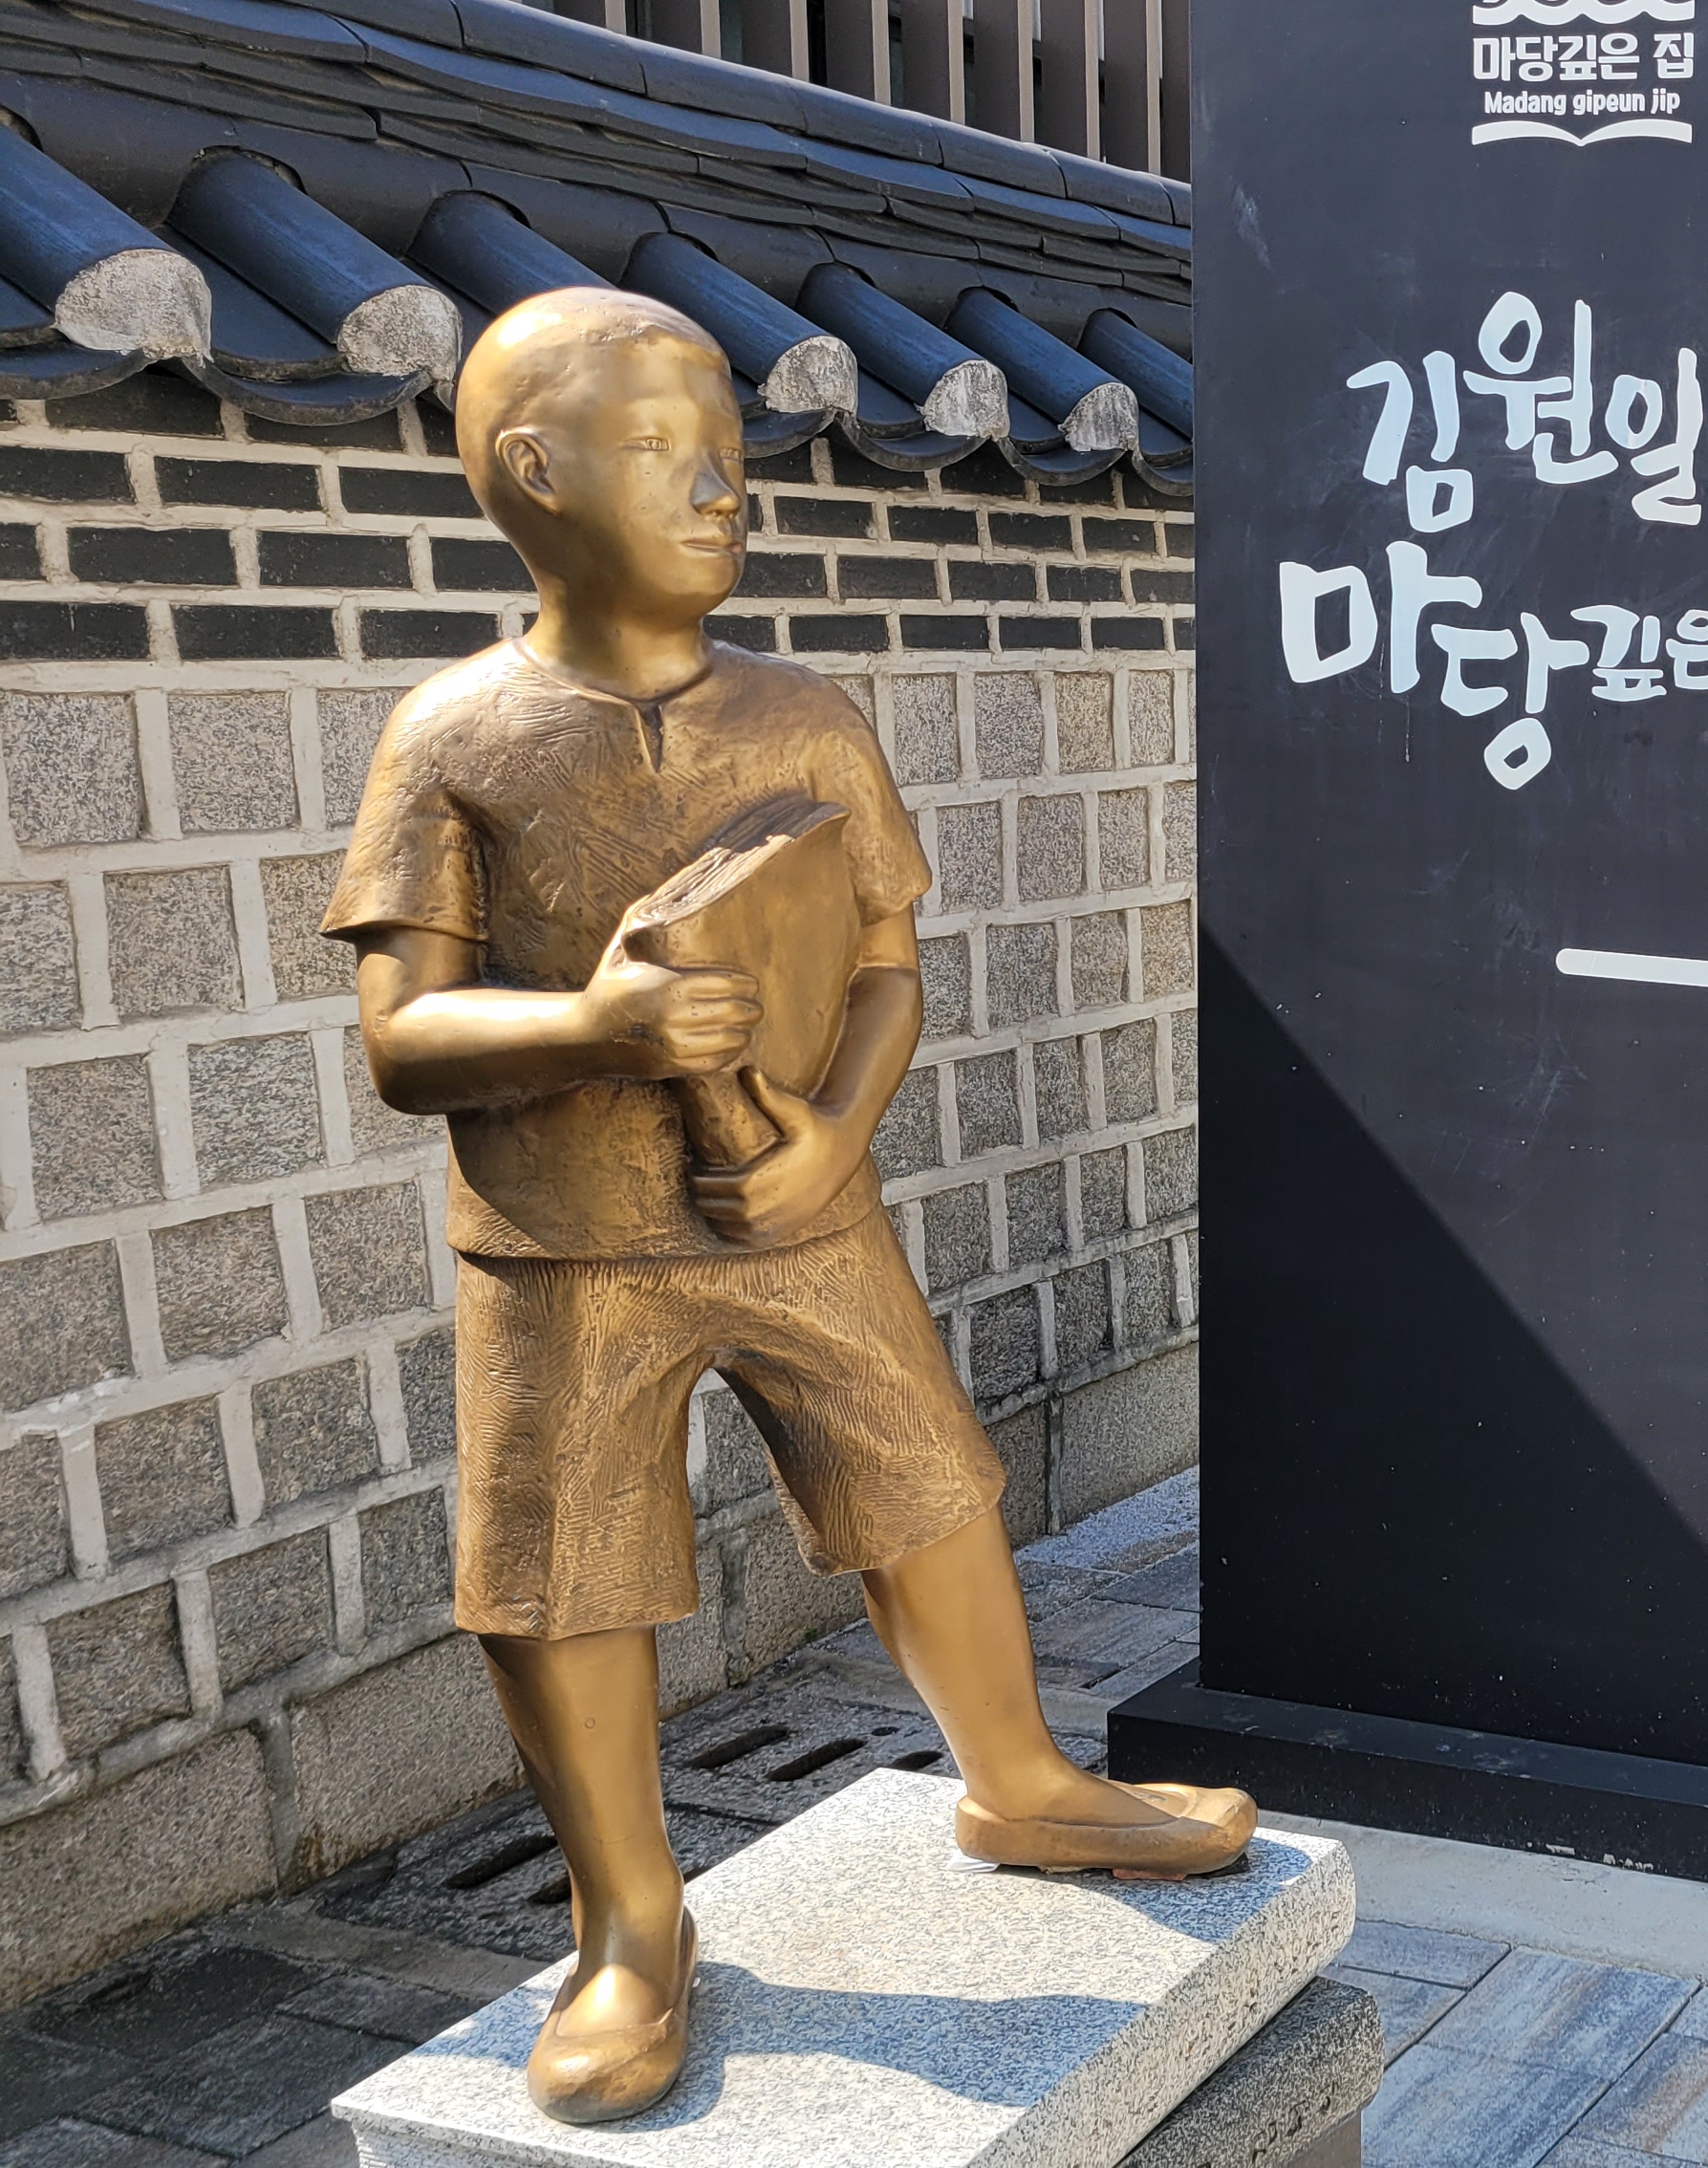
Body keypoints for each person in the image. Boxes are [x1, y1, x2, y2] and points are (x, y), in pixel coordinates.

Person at [325, 290, 1254, 2125]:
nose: (721, 491)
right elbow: (402, 1038)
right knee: (559, 1564)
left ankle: (1021, 1776)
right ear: (534, 470)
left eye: (730, 458)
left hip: (800, 1213)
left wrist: (834, 1134)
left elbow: (889, 966)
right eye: (667, 453)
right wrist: (590, 1027)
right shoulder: (452, 736)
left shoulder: (806, 716)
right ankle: (627, 1922)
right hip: (559, 1246)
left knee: (924, 1478)